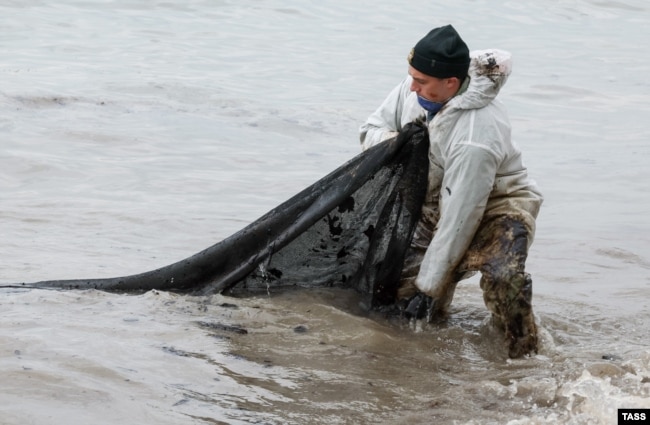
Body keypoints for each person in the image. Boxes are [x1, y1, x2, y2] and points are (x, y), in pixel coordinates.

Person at [359, 25, 543, 358]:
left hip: (496, 206)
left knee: (503, 280)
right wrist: (400, 143)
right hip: (433, 202)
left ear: (451, 84)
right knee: (397, 305)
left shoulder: (476, 137)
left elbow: (461, 217)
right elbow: (370, 129)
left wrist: (429, 287)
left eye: (421, 82)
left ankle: (525, 354)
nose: (412, 86)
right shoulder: (417, 84)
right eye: (411, 77)